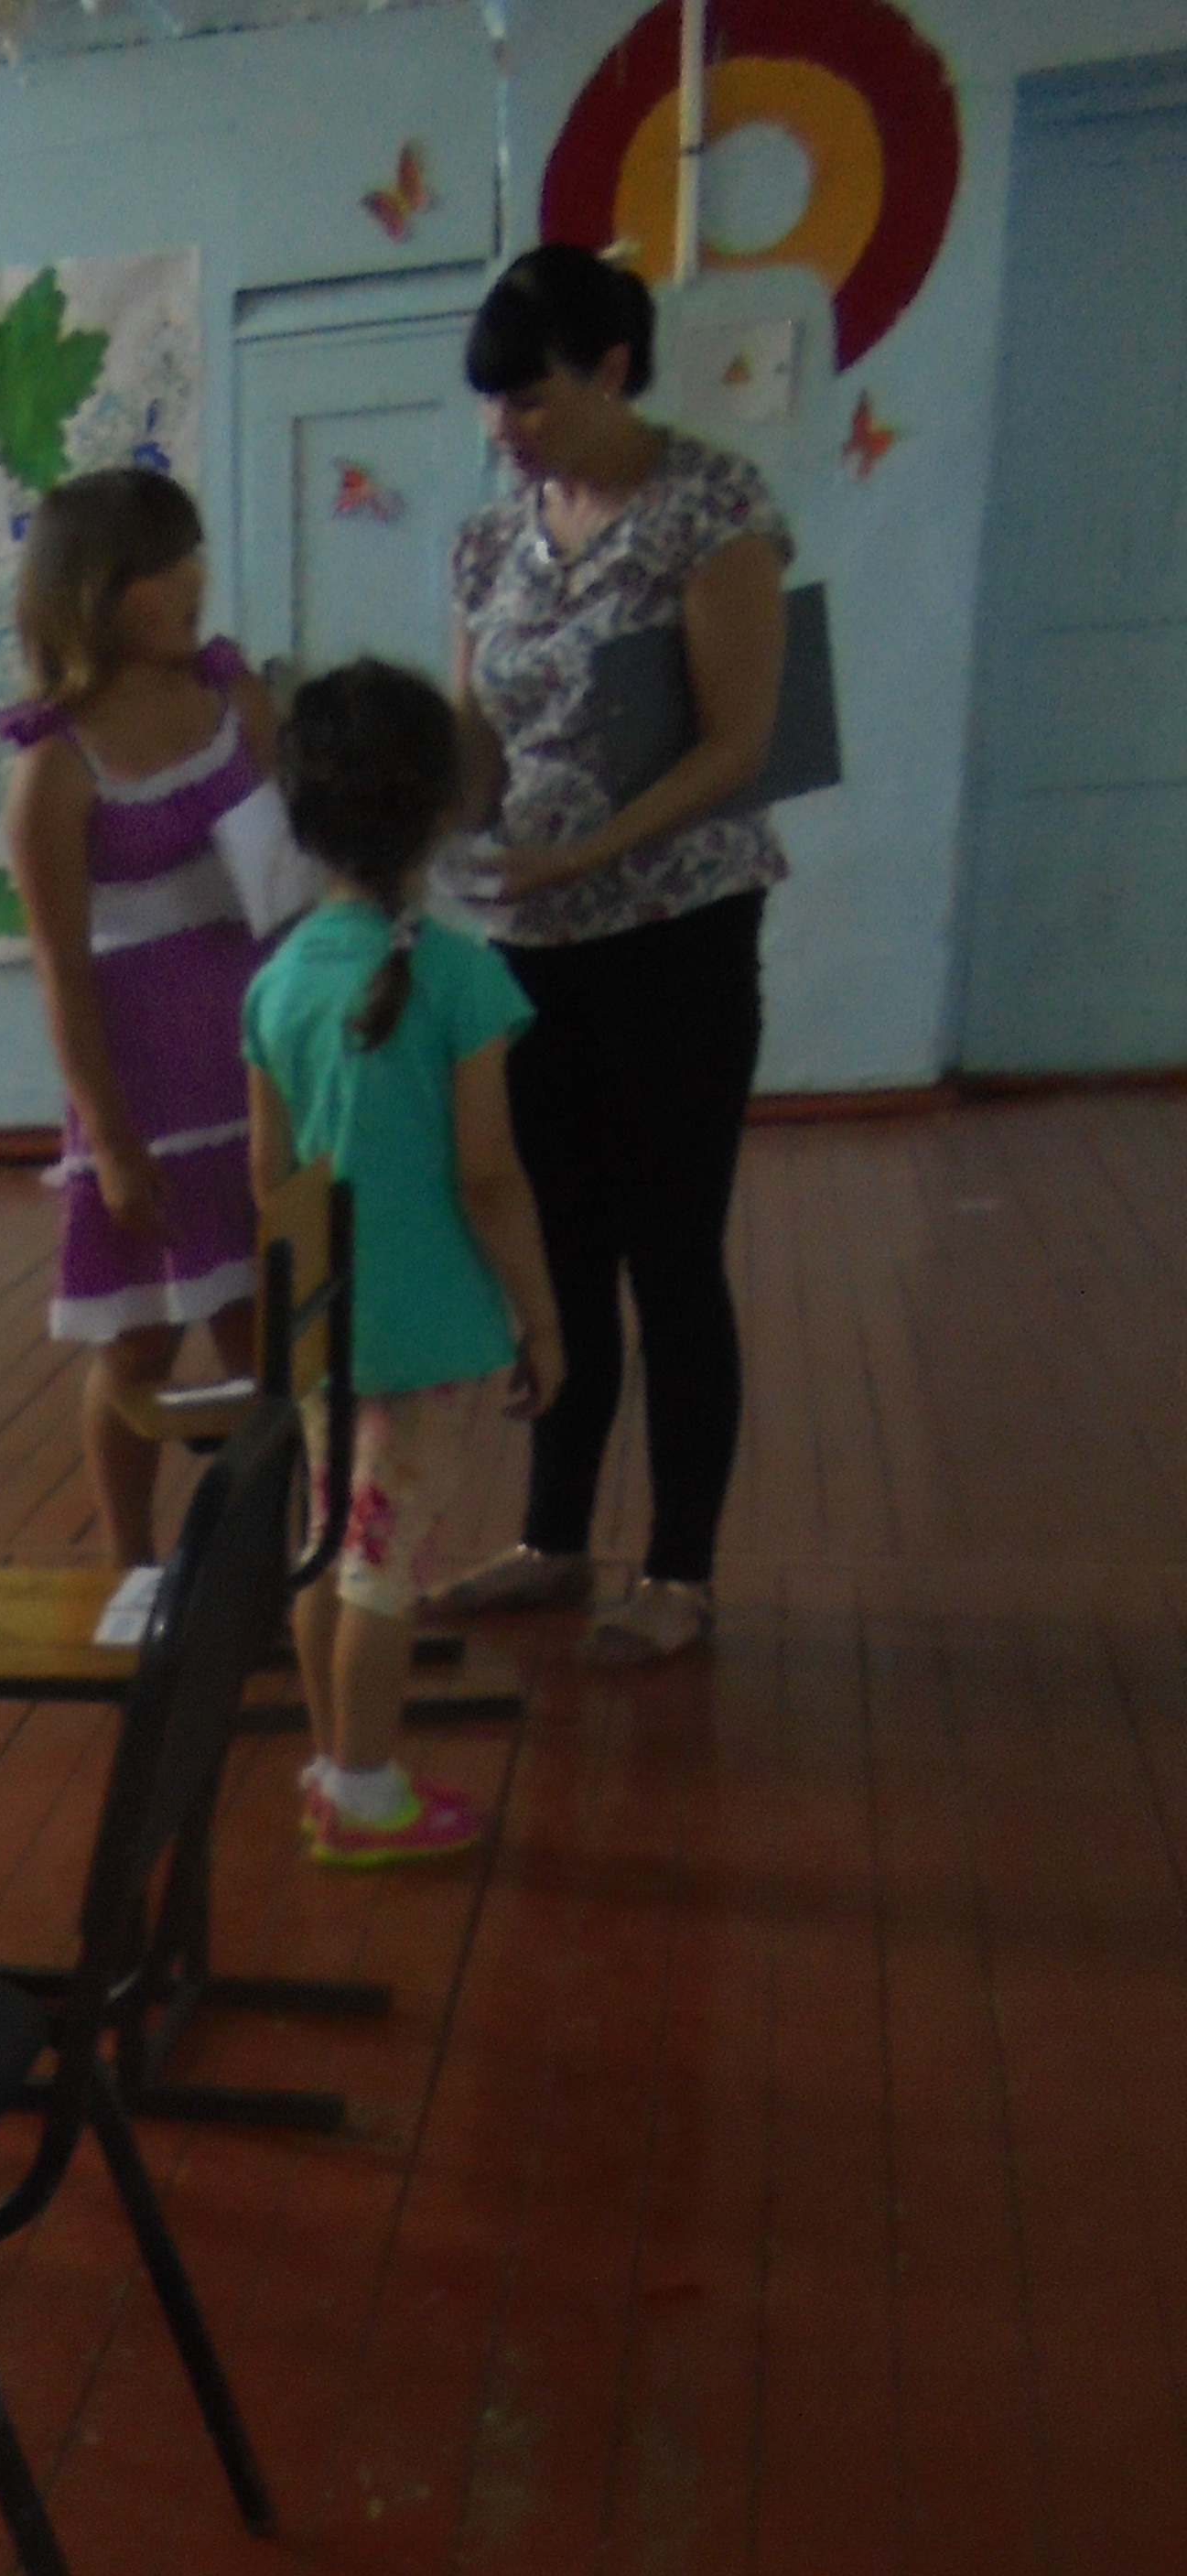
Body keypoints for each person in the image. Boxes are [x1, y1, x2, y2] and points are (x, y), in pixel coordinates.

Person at [443, 241, 792, 1664]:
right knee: (559, 1249)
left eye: (530, 399)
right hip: (530, 942)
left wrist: (584, 854)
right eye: (490, 404)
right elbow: (477, 735)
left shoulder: (712, 509)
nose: (505, 430)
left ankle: (680, 1570)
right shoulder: (491, 539)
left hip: (676, 933)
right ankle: (552, 1541)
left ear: (613, 370)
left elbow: (740, 742)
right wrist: (420, 816)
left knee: (671, 1252)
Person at [243, 661, 562, 1867]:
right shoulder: (464, 977)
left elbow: (270, 1175)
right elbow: (489, 1176)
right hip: (429, 1332)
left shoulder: (277, 983)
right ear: (442, 811)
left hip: (320, 1323)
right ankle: (365, 1794)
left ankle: (336, 1769)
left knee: (331, 1541)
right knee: (383, 1567)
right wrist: (542, 1318)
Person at [0, 470, 282, 1600]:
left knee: (268, 1330)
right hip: (145, 1085)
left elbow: (299, 863)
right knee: (139, 1341)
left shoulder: (236, 698)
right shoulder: (55, 767)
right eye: (158, 568)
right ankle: (130, 1566)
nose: (190, 582)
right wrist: (111, 1140)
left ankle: (265, 1569)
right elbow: (62, 972)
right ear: (94, 593)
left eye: (190, 555)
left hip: (256, 1054)